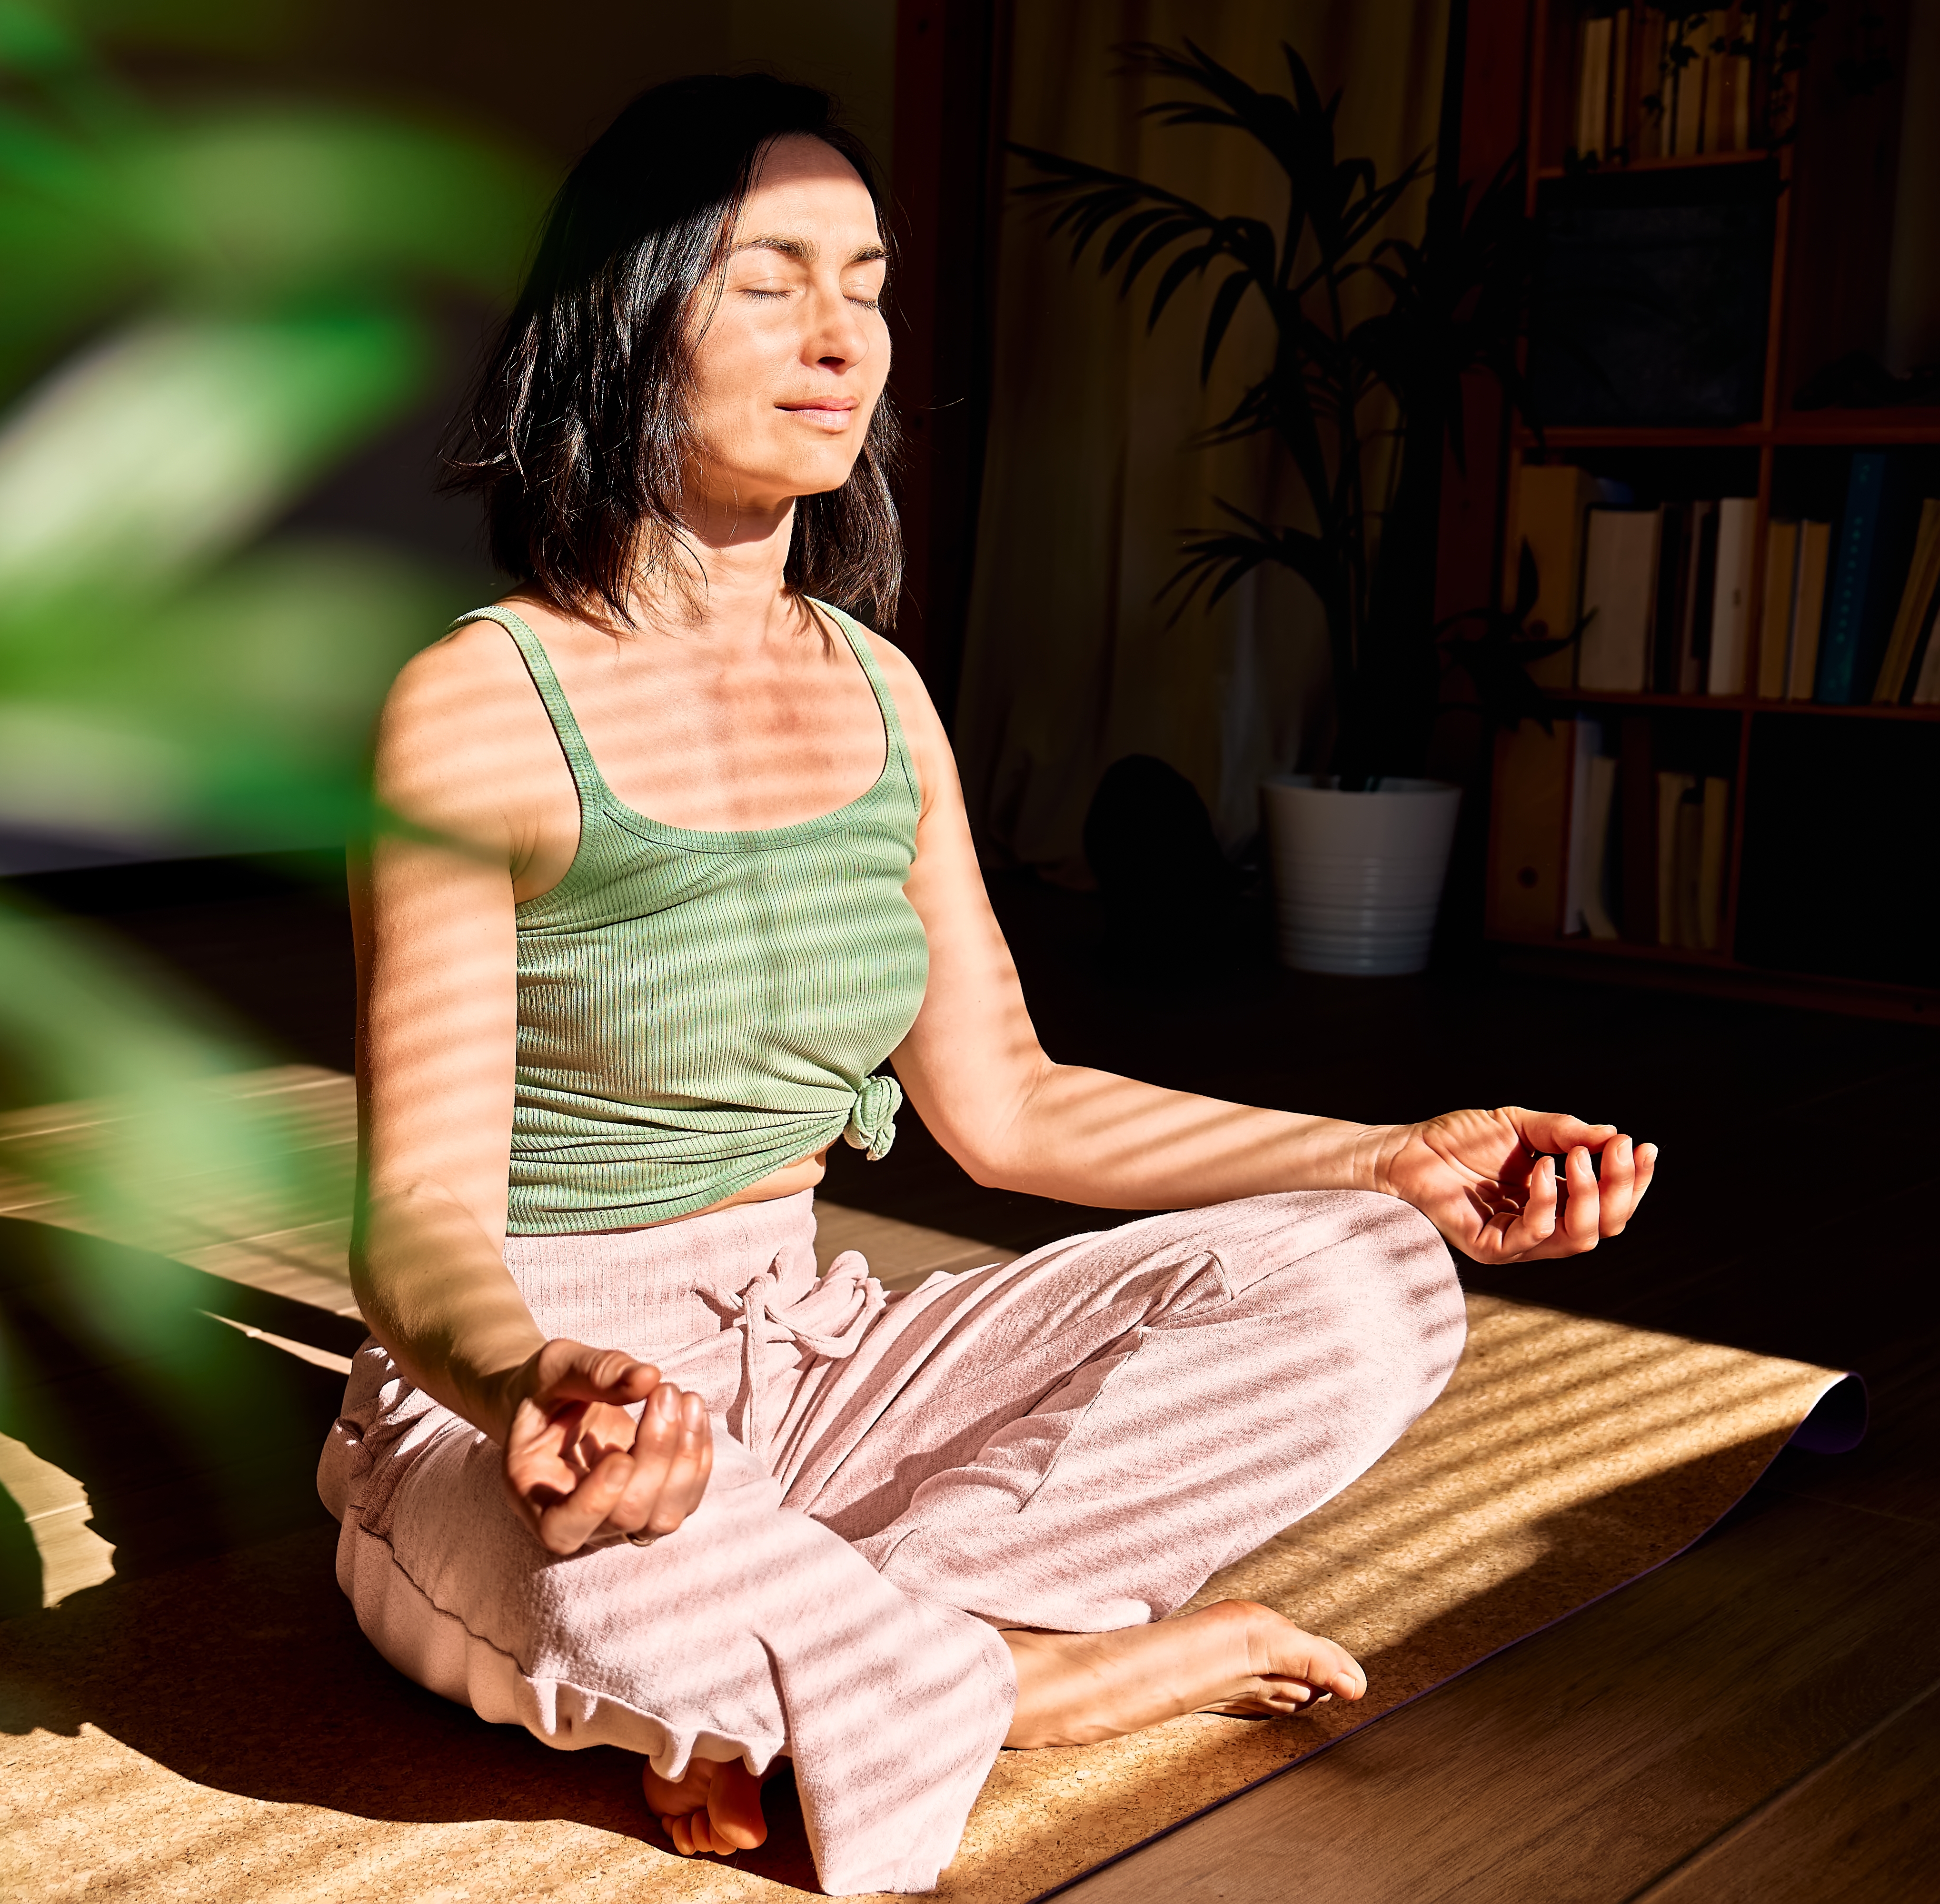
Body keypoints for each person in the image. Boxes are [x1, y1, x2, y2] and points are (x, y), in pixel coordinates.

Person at [318, 74, 1656, 1896]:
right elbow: (412, 1225)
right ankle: (1007, 1684)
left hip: (813, 1352)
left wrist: (1384, 1160)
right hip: (561, 1399)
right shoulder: (478, 707)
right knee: (620, 1587)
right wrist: (528, 1380)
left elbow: (1010, 1105)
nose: (841, 335)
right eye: (768, 277)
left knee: (1376, 1286)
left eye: (865, 284)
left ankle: (859, 1670)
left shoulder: (881, 692)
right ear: (626, 321)